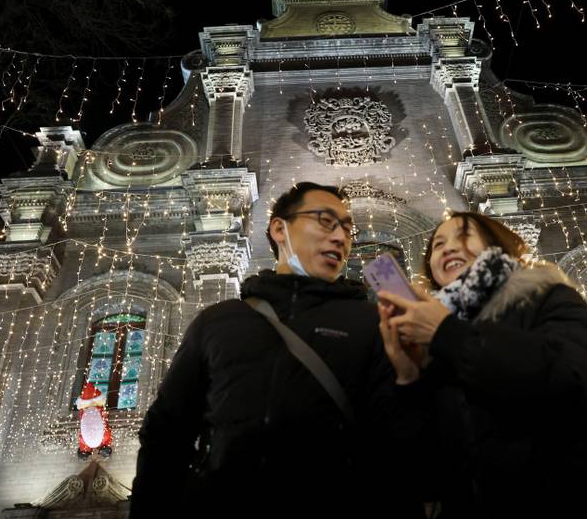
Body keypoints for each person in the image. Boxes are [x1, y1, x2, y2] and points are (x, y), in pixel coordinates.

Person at [131, 182, 421, 518]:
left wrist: (414, 373)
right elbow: (167, 433)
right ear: (279, 229)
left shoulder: (371, 323)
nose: (341, 237)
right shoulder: (219, 321)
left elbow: (391, 448)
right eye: (326, 221)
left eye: (347, 228)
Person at [378, 211, 587, 518]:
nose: (448, 247)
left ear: (496, 244)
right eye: (438, 244)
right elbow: (424, 471)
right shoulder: (434, 345)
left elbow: (575, 383)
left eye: (463, 235)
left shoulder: (546, 297)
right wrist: (408, 377)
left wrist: (447, 333)